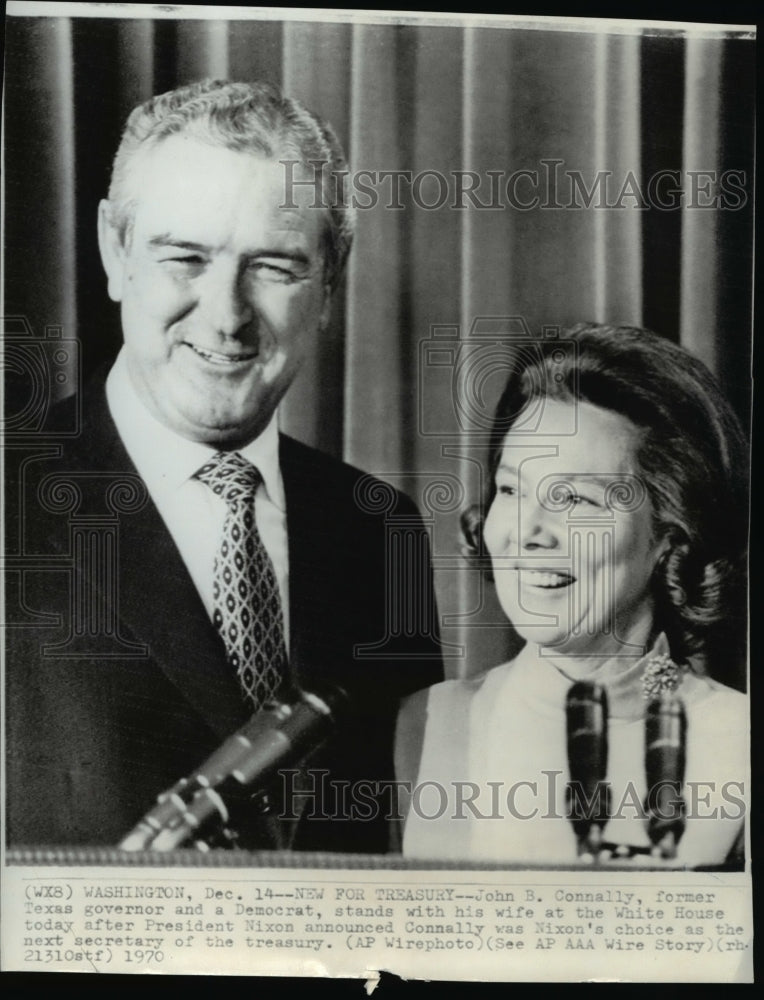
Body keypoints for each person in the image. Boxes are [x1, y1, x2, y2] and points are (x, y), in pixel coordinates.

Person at [5, 80, 443, 852]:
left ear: (331, 280)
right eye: (185, 257)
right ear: (116, 250)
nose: (227, 315)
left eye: (274, 267)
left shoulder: (378, 531)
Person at [396, 323, 748, 866]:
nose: (529, 532)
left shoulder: (739, 742)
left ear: (669, 533)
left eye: (577, 500)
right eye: (512, 489)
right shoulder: (422, 724)